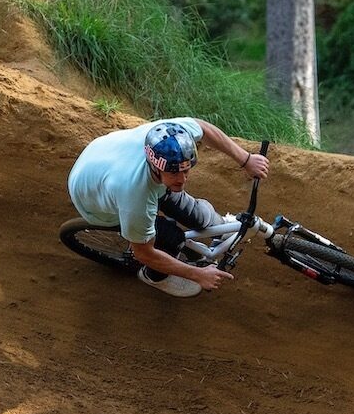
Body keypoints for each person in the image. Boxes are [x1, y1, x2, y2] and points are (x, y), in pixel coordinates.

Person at [67, 117, 271, 298]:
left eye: (186, 170)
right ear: (156, 166)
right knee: (172, 239)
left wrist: (246, 159)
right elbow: (144, 253)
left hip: (104, 157)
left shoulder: (172, 136)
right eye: (174, 173)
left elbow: (204, 129)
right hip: (94, 200)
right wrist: (197, 274)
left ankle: (213, 224)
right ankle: (153, 277)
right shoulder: (135, 195)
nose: (182, 180)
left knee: (197, 214)